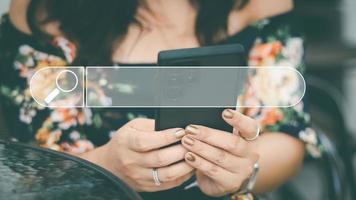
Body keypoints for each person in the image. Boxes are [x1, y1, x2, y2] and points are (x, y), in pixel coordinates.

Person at [0, 0, 324, 199]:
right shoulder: (42, 10)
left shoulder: (257, 3)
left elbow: (287, 135)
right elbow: (25, 170)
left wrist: (244, 169)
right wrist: (106, 166)